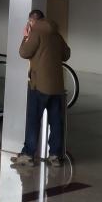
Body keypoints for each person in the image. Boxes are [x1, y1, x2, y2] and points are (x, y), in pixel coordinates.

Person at [10, 9, 70, 167]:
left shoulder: (36, 33)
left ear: (33, 21)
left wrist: (26, 36)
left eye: (29, 21)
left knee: (33, 120)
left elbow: (24, 52)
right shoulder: (56, 34)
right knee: (56, 121)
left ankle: (28, 154)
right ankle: (55, 155)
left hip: (39, 85)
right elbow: (66, 54)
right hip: (57, 86)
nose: (29, 24)